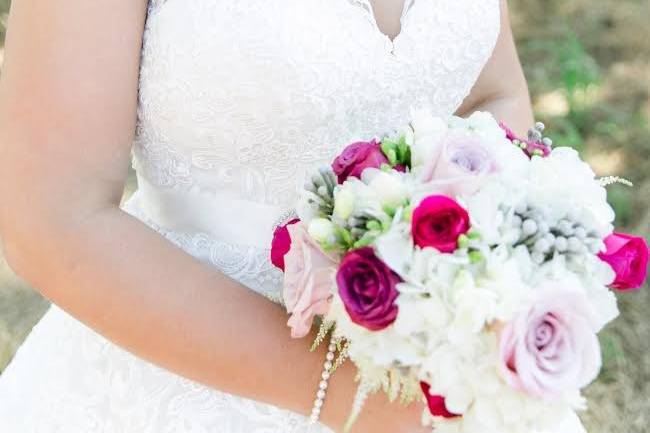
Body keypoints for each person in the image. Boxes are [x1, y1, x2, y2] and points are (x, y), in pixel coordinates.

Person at [0, 0, 533, 431]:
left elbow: (493, 93)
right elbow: (53, 224)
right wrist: (363, 397)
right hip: (192, 370)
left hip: (448, 363)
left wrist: (473, 288)